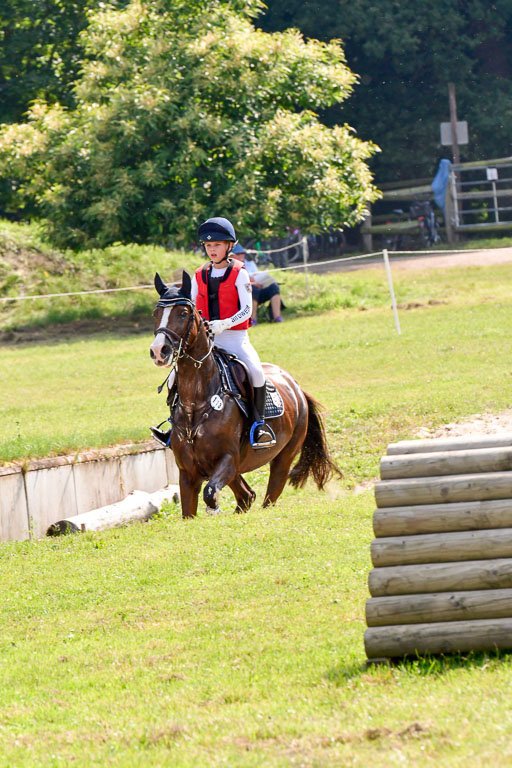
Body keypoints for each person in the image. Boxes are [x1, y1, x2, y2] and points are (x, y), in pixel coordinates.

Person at [150, 216, 277, 450]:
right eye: (208, 246)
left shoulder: (239, 273)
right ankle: (173, 426)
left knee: (257, 373)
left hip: (235, 339)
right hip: (208, 341)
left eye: (217, 245)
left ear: (229, 246)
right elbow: (193, 307)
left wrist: (224, 323)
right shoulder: (199, 274)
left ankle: (259, 425)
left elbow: (247, 310)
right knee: (173, 378)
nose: (212, 250)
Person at [231, 243, 284, 325]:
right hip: (242, 294)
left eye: (242, 253)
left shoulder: (250, 264)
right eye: (238, 254)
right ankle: (252, 319)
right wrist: (252, 282)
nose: (241, 255)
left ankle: (276, 317)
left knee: (274, 287)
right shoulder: (230, 267)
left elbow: (257, 275)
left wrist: (255, 281)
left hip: (259, 288)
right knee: (252, 288)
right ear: (231, 256)